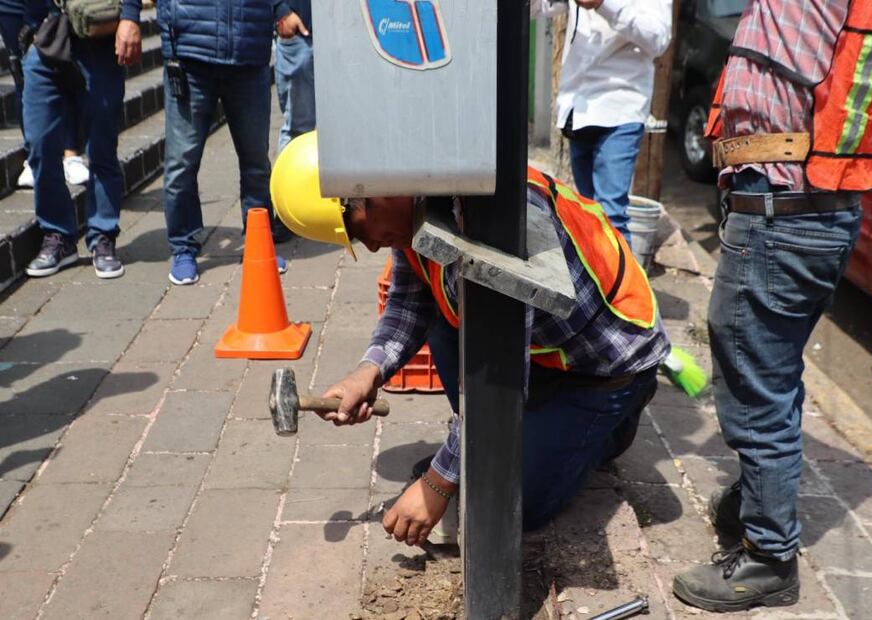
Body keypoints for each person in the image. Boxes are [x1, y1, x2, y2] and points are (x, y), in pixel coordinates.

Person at [271, 131, 670, 546]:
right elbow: (409, 302)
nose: (371, 246)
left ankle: (607, 429)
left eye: (358, 232)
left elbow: (498, 373)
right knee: (445, 321)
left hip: (601, 370)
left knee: (512, 505)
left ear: (370, 191)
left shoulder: (495, 220)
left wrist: (439, 482)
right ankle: (506, 443)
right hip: (535, 356)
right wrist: (368, 372)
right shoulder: (415, 203)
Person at [671, 0, 872, 612]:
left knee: (753, 375)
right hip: (801, 205)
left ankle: (768, 559)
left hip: (784, 208)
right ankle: (758, 500)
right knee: (769, 366)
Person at [157, 0, 289, 285]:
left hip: (249, 54)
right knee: (181, 164)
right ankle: (183, 247)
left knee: (256, 162)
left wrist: (281, 8)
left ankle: (259, 244)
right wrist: (133, 17)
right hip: (191, 55)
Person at [531, 0, 672, 243]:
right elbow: (534, 8)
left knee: (611, 217)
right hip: (578, 107)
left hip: (619, 108)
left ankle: (625, 282)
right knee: (589, 216)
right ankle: (596, 281)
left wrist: (603, 4)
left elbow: (658, 38)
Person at [22, 0, 141, 279]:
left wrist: (132, 16)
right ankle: (59, 235)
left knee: (101, 146)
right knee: (40, 143)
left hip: (98, 36)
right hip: (48, 35)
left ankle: (102, 236)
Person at [0, 0, 89, 189]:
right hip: (10, 5)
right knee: (20, 75)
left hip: (51, 5)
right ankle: (33, 156)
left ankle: (71, 154)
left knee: (62, 67)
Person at [273, 0, 314, 152]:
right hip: (302, 36)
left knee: (349, 126)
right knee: (298, 134)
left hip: (352, 33)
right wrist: (281, 11)